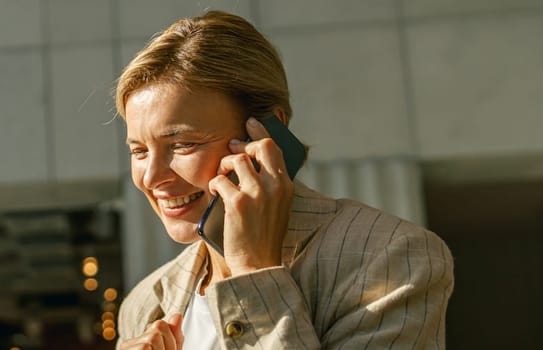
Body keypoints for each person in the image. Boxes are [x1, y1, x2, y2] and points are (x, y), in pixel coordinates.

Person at [114, 10, 453, 349]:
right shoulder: (144, 304)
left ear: (267, 133)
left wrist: (252, 272)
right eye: (139, 151)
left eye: (182, 144)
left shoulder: (391, 258)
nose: (153, 176)